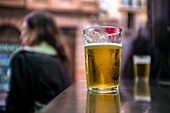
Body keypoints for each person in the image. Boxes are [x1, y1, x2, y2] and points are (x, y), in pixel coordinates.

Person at [5, 11, 70, 113]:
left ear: (34, 29)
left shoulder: (22, 58)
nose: (21, 36)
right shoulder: (59, 59)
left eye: (23, 30)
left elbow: (16, 106)